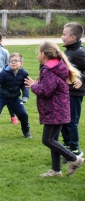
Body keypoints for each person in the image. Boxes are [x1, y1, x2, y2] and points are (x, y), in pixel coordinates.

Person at [24, 41, 84, 177]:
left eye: (38, 52)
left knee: (48, 140)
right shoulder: (55, 66)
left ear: (44, 55)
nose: (37, 55)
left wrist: (33, 85)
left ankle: (75, 159)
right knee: (54, 140)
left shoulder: (49, 70)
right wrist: (38, 83)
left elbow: (45, 91)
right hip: (58, 109)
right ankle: (56, 170)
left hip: (55, 110)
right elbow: (50, 86)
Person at [0, 52, 31, 139]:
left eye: (16, 61)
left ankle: (26, 131)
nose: (13, 62)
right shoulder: (4, 73)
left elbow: (24, 85)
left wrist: (25, 96)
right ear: (8, 63)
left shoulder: (24, 73)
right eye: (11, 61)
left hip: (15, 98)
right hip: (2, 96)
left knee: (23, 114)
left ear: (21, 63)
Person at [60, 22, 85, 161]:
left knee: (71, 121)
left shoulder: (79, 52)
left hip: (75, 92)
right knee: (63, 120)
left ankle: (75, 151)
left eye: (64, 34)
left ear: (73, 37)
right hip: (66, 91)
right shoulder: (69, 50)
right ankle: (68, 147)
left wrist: (81, 78)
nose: (62, 36)